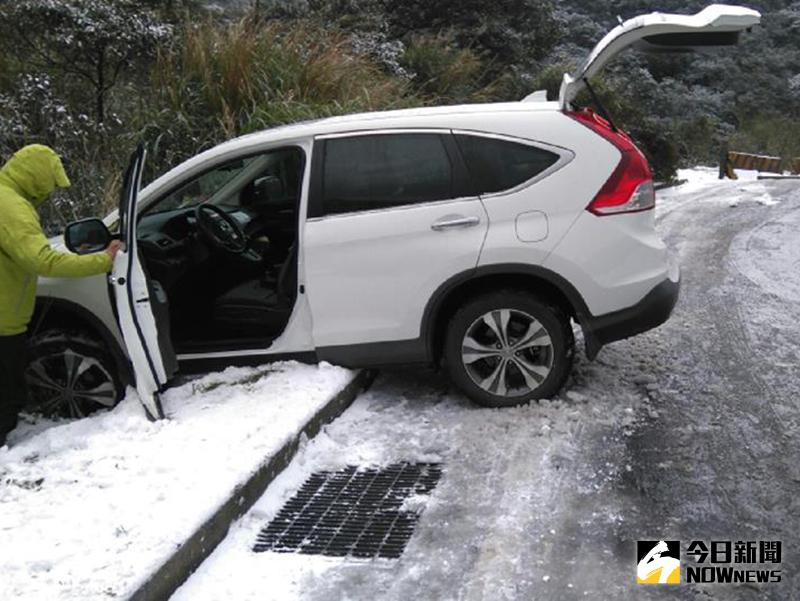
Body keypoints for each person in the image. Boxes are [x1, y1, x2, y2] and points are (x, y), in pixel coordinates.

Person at [0, 144, 123, 448]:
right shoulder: (10, 207)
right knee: (6, 397)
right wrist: (102, 260)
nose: (52, 191)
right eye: (51, 183)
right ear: (37, 176)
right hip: (2, 322)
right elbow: (42, 261)